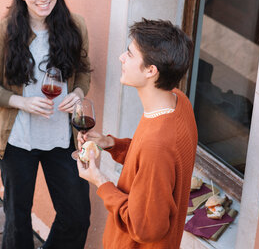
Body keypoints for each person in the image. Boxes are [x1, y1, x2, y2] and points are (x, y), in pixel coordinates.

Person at [0, 0, 92, 249]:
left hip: (62, 138)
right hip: (17, 141)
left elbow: (83, 74)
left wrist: (76, 95)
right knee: (18, 222)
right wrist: (20, 102)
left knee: (77, 216)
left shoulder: (76, 26)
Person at [77, 18, 197, 248]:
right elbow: (151, 165)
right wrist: (111, 143)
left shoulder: (158, 142)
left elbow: (145, 228)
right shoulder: (178, 102)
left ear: (151, 70)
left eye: (130, 54)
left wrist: (100, 181)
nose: (122, 57)